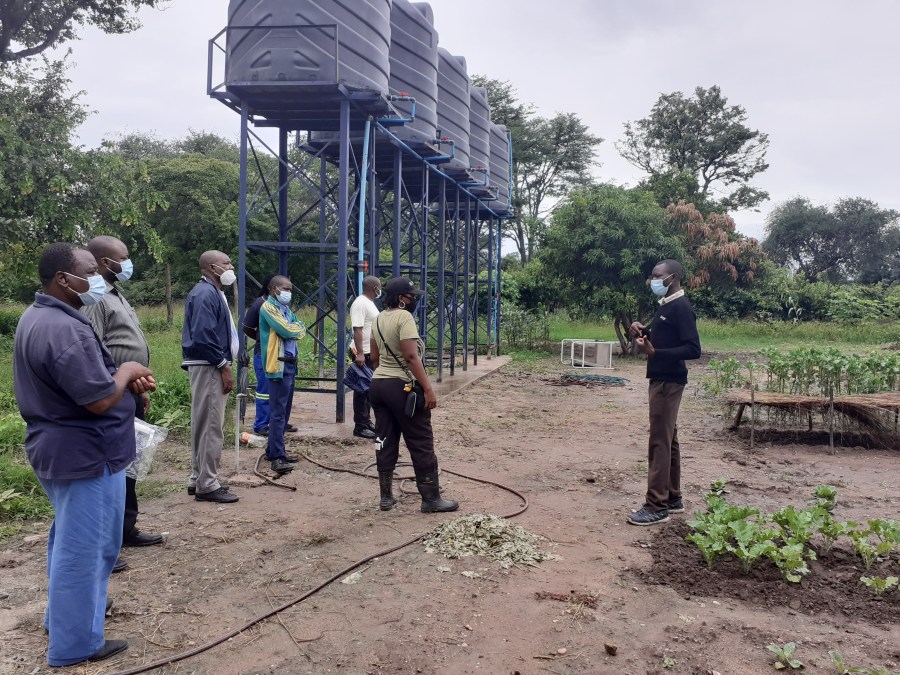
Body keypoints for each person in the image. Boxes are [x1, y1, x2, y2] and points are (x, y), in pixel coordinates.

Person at [13, 242, 155, 666]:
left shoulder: (39, 316)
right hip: (86, 454)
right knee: (87, 550)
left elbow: (88, 381)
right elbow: (96, 400)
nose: (98, 277)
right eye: (90, 270)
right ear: (63, 278)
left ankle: (64, 620)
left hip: (64, 451)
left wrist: (121, 380)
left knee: (69, 541)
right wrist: (127, 371)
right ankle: (76, 644)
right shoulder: (65, 329)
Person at [82, 236, 163, 551]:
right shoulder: (97, 299)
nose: (128, 263)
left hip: (130, 390)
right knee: (114, 465)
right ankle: (107, 540)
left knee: (129, 462)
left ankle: (125, 528)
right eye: (124, 257)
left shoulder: (116, 294)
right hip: (113, 392)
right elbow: (95, 350)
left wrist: (138, 388)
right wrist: (122, 380)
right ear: (105, 262)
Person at [369, 277, 458, 513]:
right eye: (412, 297)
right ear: (401, 299)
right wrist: (427, 388)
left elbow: (374, 358)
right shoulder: (404, 317)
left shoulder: (378, 319)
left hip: (378, 385)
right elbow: (410, 356)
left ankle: (386, 497)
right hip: (401, 386)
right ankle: (431, 500)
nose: (415, 300)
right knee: (420, 439)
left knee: (384, 439)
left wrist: (386, 377)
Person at [627, 259, 701, 526]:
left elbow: (693, 349)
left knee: (659, 441)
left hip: (668, 382)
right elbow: (665, 340)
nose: (653, 280)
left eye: (658, 276)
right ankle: (672, 497)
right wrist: (642, 331)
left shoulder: (681, 307)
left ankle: (656, 506)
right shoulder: (666, 305)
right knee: (669, 439)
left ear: (674, 277)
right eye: (652, 276)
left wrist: (656, 353)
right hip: (662, 378)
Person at [182, 250, 240, 503]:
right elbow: (204, 335)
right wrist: (223, 365)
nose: (231, 267)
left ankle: (198, 478)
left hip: (207, 365)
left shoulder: (211, 292)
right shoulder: (206, 293)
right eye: (226, 263)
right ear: (212, 267)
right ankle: (207, 484)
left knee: (203, 422)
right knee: (211, 425)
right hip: (210, 366)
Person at [258, 275, 306, 475]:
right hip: (278, 365)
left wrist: (296, 329)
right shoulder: (268, 308)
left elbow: (300, 327)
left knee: (284, 413)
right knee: (277, 413)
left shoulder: (285, 309)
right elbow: (287, 330)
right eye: (285, 288)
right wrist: (296, 329)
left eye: (290, 289)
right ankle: (277, 456)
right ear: (273, 289)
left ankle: (274, 450)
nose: (288, 292)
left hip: (290, 363)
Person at [349, 275, 381, 439]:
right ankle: (360, 426)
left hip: (370, 351)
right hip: (363, 352)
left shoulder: (369, 303)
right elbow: (357, 329)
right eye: (379, 287)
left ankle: (366, 421)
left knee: (368, 389)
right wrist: (360, 353)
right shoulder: (360, 303)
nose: (380, 290)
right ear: (375, 288)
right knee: (361, 391)